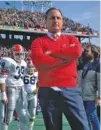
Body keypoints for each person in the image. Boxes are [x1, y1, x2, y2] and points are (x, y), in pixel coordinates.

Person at [30, 7, 90, 130]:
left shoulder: (72, 39)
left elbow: (76, 52)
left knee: (82, 127)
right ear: (45, 22)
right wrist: (64, 58)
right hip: (48, 91)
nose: (55, 20)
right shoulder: (38, 42)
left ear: (62, 22)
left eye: (58, 18)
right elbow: (39, 62)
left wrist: (50, 53)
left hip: (71, 90)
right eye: (52, 18)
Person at [0, 44, 29, 130]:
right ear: (12, 54)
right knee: (7, 116)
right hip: (10, 89)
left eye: (21, 54)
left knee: (24, 115)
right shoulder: (7, 61)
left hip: (21, 90)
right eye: (17, 54)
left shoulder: (24, 62)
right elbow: (2, 79)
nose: (20, 56)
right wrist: (3, 93)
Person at [78, 44, 100, 130]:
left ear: (93, 52)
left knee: (91, 116)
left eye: (87, 51)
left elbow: (100, 81)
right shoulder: (82, 63)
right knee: (85, 117)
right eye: (84, 51)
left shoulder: (98, 64)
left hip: (92, 96)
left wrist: (99, 97)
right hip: (81, 95)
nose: (85, 53)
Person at [24, 59, 38, 130]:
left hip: (33, 94)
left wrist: (37, 89)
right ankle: (21, 126)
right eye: (29, 66)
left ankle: (30, 127)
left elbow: (40, 82)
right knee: (23, 111)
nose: (30, 68)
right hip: (24, 94)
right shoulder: (23, 73)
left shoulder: (36, 74)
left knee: (32, 112)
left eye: (32, 66)